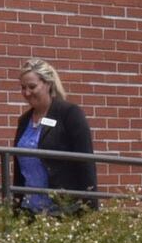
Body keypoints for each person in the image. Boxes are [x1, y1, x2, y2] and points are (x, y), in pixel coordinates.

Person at [12, 58, 97, 215]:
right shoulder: (24, 121)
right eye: (23, 88)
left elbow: (86, 164)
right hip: (28, 210)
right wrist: (15, 206)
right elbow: (19, 169)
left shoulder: (69, 114)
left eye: (32, 87)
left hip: (62, 209)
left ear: (48, 84)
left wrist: (90, 210)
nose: (26, 93)